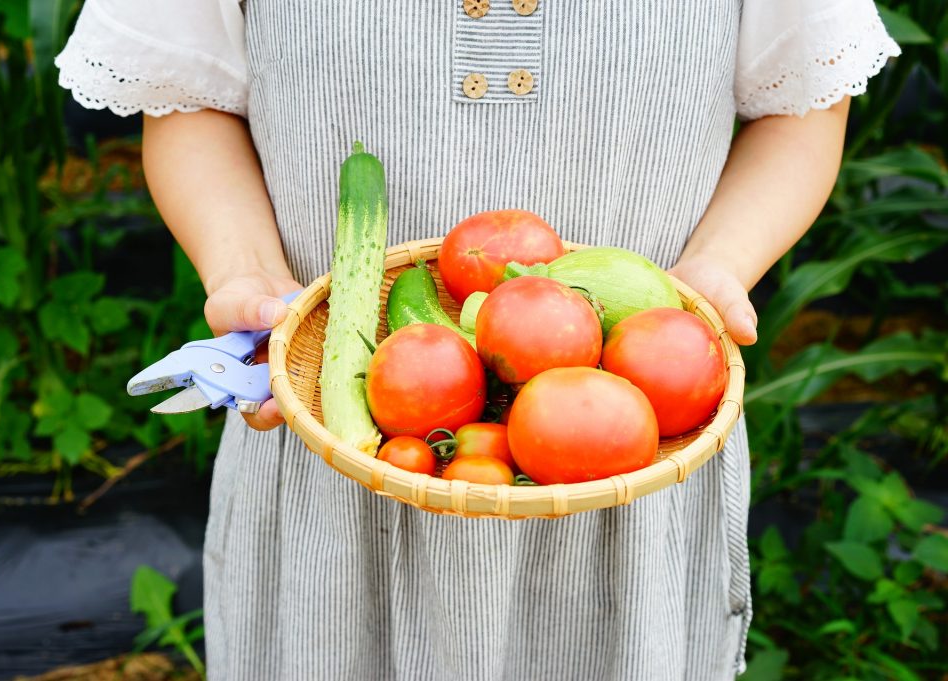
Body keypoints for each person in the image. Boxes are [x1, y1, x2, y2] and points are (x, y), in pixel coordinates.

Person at [56, 2, 900, 678]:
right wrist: (245, 272)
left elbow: (804, 101)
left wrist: (717, 271)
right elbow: (188, 93)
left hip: (635, 455)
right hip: (336, 429)